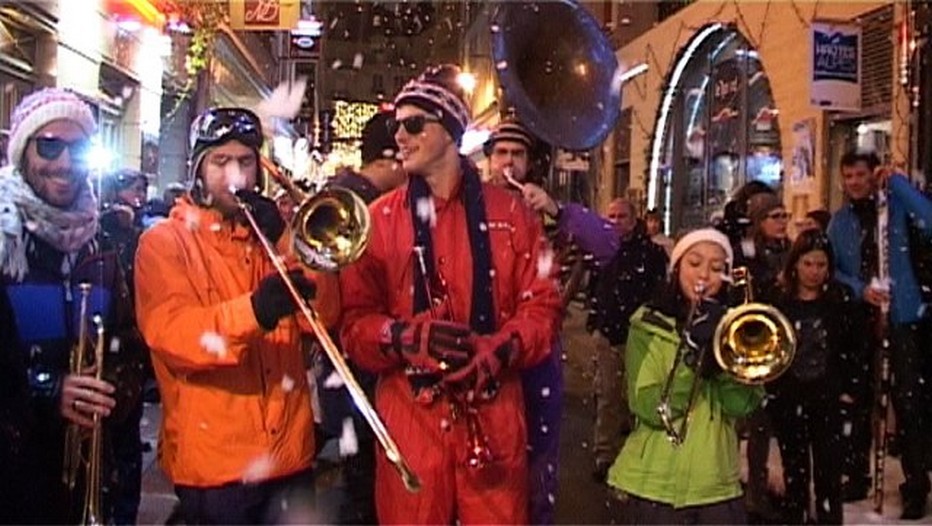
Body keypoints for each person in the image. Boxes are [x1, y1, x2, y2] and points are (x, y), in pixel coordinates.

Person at [339, 64, 562, 524]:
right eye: (397, 125)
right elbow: (355, 324)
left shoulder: (513, 214)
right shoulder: (379, 220)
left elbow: (544, 307)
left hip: (493, 416)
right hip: (411, 418)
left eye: (414, 124)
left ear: (450, 131)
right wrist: (403, 337)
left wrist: (501, 349)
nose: (399, 135)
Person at [134, 107, 336, 524]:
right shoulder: (163, 243)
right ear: (198, 170)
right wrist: (255, 311)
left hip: (289, 459)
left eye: (246, 161)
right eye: (221, 162)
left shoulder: (270, 238)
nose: (236, 177)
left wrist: (286, 240)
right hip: (216, 468)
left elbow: (324, 314)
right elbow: (176, 336)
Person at [0, 87, 145, 523]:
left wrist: (114, 390)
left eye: (77, 147)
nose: (64, 162)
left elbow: (128, 352)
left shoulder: (101, 248)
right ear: (24, 152)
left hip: (83, 484)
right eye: (49, 146)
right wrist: (47, 389)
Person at [607, 228, 763, 524]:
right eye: (694, 263)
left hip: (717, 488)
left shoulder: (738, 328)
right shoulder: (647, 324)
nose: (704, 274)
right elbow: (649, 407)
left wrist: (723, 363)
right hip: (653, 486)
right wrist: (691, 356)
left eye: (717, 268)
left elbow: (741, 406)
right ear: (676, 268)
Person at [523, 187, 668, 482]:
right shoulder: (601, 248)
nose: (615, 221)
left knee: (641, 394)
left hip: (642, 333)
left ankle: (637, 453)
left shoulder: (650, 253)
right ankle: (605, 454)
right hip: (609, 329)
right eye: (611, 216)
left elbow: (660, 289)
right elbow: (581, 276)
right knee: (607, 394)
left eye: (622, 216)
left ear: (634, 219)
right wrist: (566, 310)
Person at [827, 151, 932, 519]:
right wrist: (859, 288)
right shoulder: (839, 222)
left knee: (909, 404)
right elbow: (832, 270)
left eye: (861, 174)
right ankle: (856, 473)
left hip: (903, 317)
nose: (855, 182)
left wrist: (900, 184)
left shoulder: (896, 210)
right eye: (848, 175)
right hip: (860, 322)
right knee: (856, 400)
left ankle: (916, 484)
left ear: (874, 175)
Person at [321, 109, 405, 525]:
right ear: (391, 158)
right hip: (363, 366)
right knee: (368, 487)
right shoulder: (371, 208)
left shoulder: (341, 194)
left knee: (359, 478)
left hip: (347, 367)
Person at [485, 116, 564, 524]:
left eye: (518, 154)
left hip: (540, 354)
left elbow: (605, 244)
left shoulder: (543, 206)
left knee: (538, 463)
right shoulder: (473, 204)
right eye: (502, 153)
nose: (509, 163)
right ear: (489, 159)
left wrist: (554, 210)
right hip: (491, 350)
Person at [766, 230, 869, 524]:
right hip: (789, 397)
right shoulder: (779, 300)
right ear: (795, 264)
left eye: (820, 265)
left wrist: (851, 389)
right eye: (808, 264)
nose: (813, 272)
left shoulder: (840, 300)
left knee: (829, 475)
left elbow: (856, 348)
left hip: (828, 398)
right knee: (794, 472)